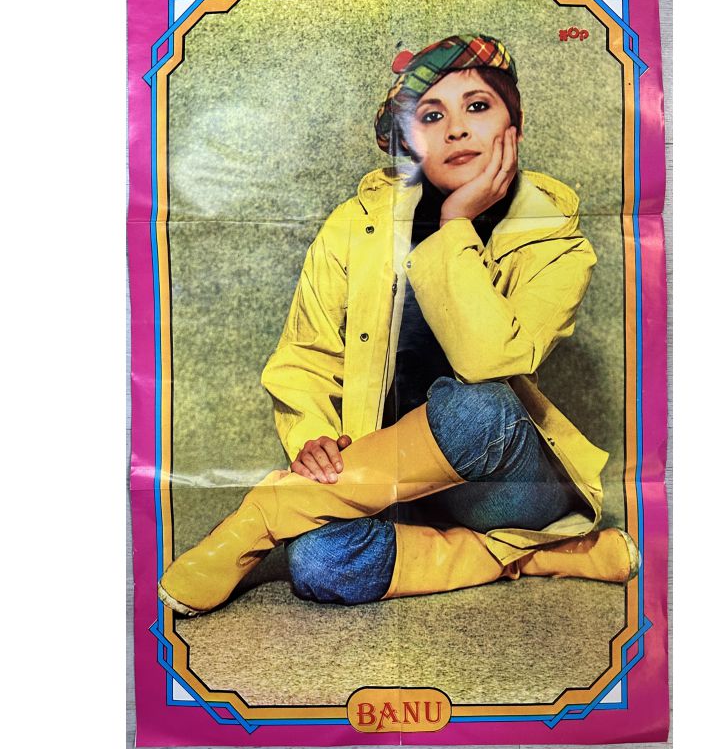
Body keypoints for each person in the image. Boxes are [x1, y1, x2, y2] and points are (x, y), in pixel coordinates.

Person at [158, 34, 638, 617]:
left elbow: (488, 361)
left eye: (477, 106)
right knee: (319, 564)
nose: (456, 129)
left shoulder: (554, 237)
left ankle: (264, 512)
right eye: (431, 116)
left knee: (476, 405)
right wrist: (314, 439)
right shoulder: (355, 225)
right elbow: (305, 355)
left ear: (513, 123)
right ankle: (540, 556)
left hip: (500, 484)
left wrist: (455, 223)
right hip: (382, 479)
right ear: (409, 140)